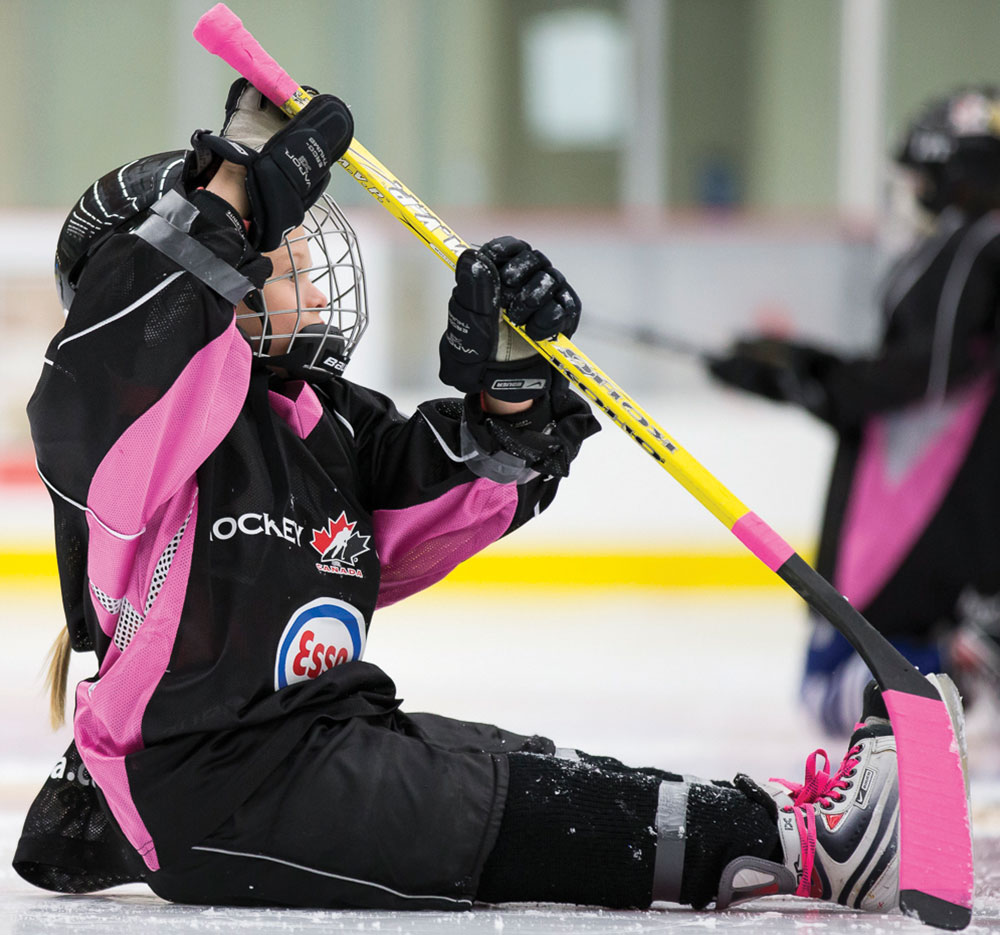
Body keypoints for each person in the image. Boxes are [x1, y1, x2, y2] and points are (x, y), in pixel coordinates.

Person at [15, 79, 901, 917]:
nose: (318, 282)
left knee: (528, 766)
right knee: (502, 805)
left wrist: (512, 393)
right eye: (279, 262)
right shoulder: (128, 434)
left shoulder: (314, 418)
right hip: (216, 782)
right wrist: (232, 184)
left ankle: (784, 818)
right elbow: (124, 362)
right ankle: (818, 846)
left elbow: (445, 492)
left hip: (316, 739)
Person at [709, 86, 1000, 735]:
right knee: (835, 685)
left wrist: (809, 380)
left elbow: (925, 373)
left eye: (924, 174)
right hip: (924, 500)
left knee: (837, 690)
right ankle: (964, 659)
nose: (916, 191)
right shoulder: (973, 245)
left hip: (922, 506)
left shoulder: (975, 242)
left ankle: (965, 662)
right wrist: (801, 368)